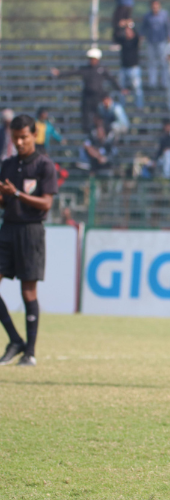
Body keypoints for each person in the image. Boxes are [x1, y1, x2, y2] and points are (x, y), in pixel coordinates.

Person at [0, 115, 58, 367]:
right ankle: (15, 339)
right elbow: (4, 200)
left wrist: (17, 193)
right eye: (15, 138)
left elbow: (46, 203)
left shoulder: (44, 165)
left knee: (28, 290)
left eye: (24, 137)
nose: (20, 142)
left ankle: (30, 352)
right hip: (7, 228)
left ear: (34, 135)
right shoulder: (8, 165)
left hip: (31, 231)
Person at [50, 48, 121, 134]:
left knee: (99, 116)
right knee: (85, 116)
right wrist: (60, 73)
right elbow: (73, 72)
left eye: (93, 58)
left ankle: (100, 133)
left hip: (98, 97)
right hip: (87, 97)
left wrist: (120, 89)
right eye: (90, 58)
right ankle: (88, 133)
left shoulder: (102, 69)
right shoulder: (85, 69)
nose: (92, 60)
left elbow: (111, 79)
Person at [114, 18, 144, 109]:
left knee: (137, 89)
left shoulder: (134, 41)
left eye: (129, 31)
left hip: (134, 68)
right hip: (124, 68)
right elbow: (116, 36)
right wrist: (120, 27)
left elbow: (138, 36)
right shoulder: (123, 41)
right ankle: (122, 105)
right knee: (121, 89)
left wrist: (131, 25)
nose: (127, 32)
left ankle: (139, 106)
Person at [141, 0, 170, 89]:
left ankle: (164, 83)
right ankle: (152, 83)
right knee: (152, 63)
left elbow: (168, 27)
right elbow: (143, 28)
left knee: (163, 63)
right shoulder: (147, 16)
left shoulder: (165, 14)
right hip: (151, 42)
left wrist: (169, 38)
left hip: (162, 41)